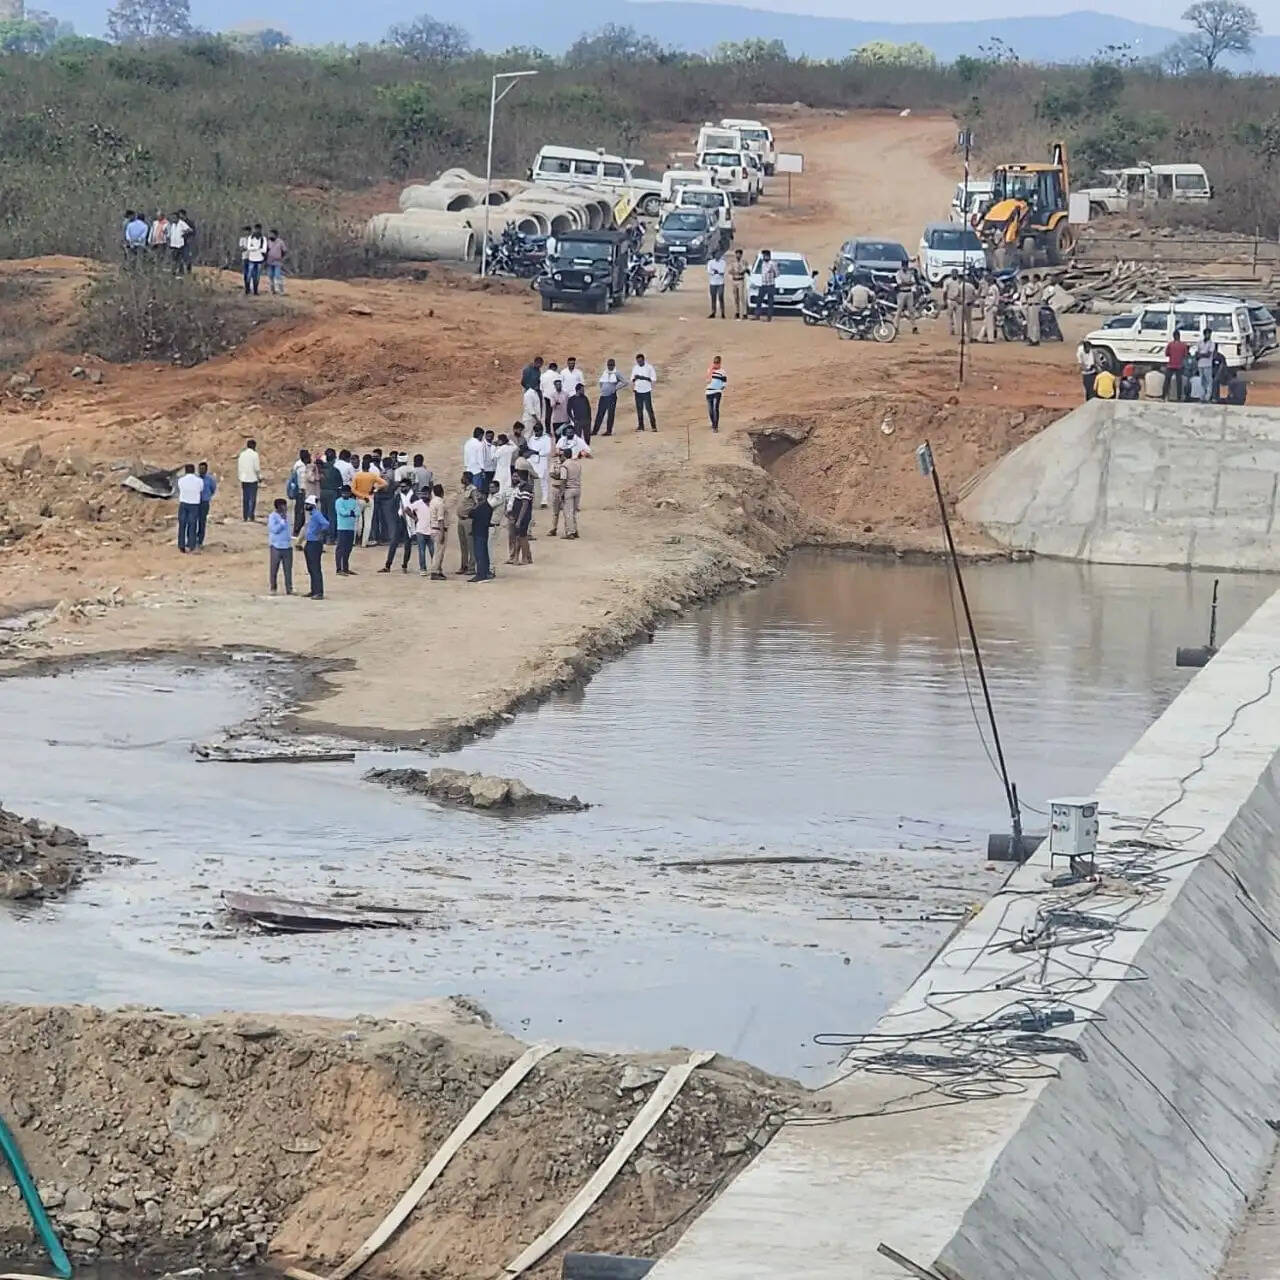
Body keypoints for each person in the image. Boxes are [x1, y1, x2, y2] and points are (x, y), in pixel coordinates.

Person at [379, 478, 415, 573]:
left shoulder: (413, 497)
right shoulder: (398, 496)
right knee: (393, 543)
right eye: (401, 486)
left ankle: (405, 565)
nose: (402, 488)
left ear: (409, 487)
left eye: (404, 487)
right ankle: (388, 565)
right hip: (400, 521)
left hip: (410, 522)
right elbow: (394, 507)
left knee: (407, 545)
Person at [469, 481, 500, 582]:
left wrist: (475, 506)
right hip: (480, 532)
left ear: (484, 495)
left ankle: (481, 574)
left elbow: (471, 513)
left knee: (480, 554)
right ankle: (484, 572)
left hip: (480, 532)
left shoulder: (483, 507)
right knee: (483, 553)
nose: (477, 496)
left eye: (479, 494)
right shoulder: (485, 506)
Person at [351, 455, 386, 545]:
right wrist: (375, 488)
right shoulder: (372, 475)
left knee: (357, 521)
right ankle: (364, 543)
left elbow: (353, 489)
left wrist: (362, 496)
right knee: (368, 522)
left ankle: (354, 541)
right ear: (369, 467)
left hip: (359, 499)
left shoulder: (357, 475)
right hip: (370, 499)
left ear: (361, 466)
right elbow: (384, 483)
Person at [301, 495, 329, 599]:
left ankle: (318, 592)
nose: (306, 506)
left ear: (312, 505)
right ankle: (314, 590)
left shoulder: (317, 515)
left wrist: (320, 534)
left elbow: (326, 524)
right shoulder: (313, 515)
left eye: (307, 504)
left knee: (315, 568)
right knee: (311, 568)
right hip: (310, 542)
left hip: (314, 543)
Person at [267, 498, 294, 594]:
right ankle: (273, 588)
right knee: (274, 569)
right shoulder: (272, 517)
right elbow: (274, 530)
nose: (285, 508)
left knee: (288, 570)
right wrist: (282, 522)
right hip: (276, 546)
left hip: (287, 546)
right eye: (283, 506)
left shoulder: (288, 516)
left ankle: (289, 588)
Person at [407, 486, 434, 576]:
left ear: (430, 494)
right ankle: (423, 568)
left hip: (431, 531)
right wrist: (414, 518)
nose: (424, 496)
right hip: (420, 530)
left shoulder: (434, 503)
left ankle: (435, 568)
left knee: (433, 551)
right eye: (423, 494)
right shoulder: (418, 503)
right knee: (422, 551)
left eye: (426, 494)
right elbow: (407, 509)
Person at [508, 472, 534, 564]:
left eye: (517, 477)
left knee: (522, 538)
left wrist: (519, 520)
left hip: (522, 517)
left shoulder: (525, 488)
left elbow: (524, 505)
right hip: (520, 516)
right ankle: (526, 557)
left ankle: (525, 558)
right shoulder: (521, 487)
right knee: (521, 537)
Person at [334, 484, 360, 575]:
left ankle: (345, 568)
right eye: (343, 493)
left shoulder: (354, 501)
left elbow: (358, 512)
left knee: (348, 548)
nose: (344, 494)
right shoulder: (338, 501)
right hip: (342, 527)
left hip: (351, 528)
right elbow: (342, 512)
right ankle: (338, 569)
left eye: (346, 493)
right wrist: (351, 512)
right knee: (340, 548)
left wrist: (350, 512)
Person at [176, 463, 202, 553]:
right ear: (194, 470)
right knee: (192, 525)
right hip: (194, 504)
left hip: (183, 503)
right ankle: (191, 545)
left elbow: (180, 488)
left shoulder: (181, 480)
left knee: (182, 525)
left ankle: (181, 545)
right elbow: (200, 489)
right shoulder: (199, 481)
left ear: (185, 471)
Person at [456, 472, 478, 575]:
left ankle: (472, 567)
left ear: (467, 478)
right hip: (460, 519)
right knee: (463, 544)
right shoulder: (462, 489)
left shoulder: (473, 490)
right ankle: (463, 565)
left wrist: (471, 513)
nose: (461, 478)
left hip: (468, 520)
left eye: (463, 477)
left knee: (470, 545)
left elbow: (477, 504)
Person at [560, 449, 583, 539]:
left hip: (569, 489)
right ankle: (575, 530)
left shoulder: (564, 465)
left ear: (564, 455)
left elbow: (563, 480)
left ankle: (570, 532)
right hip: (578, 489)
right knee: (573, 512)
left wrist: (562, 492)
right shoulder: (577, 464)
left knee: (568, 512)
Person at [427, 483, 449, 579]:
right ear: (442, 492)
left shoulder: (432, 502)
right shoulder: (440, 503)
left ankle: (438, 570)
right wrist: (442, 533)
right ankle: (435, 572)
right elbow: (440, 519)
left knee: (438, 551)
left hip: (433, 528)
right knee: (439, 552)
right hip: (439, 529)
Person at [319, 448, 341, 541]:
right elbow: (340, 483)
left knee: (323, 514)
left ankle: (323, 536)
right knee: (332, 515)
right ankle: (331, 537)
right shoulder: (335, 470)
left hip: (322, 492)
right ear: (333, 459)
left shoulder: (320, 469)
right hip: (332, 493)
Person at [631, 354, 657, 431]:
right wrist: (635, 380)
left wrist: (642, 377)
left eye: (641, 361)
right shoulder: (635, 368)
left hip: (646, 390)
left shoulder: (649, 367)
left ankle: (653, 426)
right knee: (639, 409)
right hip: (637, 390)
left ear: (644, 360)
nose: (639, 362)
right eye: (638, 361)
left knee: (649, 409)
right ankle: (641, 426)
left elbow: (653, 379)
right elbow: (632, 378)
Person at [237, 438, 261, 521]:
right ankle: (251, 515)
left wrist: (240, 476)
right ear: (254, 446)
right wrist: (259, 477)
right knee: (252, 498)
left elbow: (240, 467)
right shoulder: (255, 455)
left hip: (244, 478)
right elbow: (257, 468)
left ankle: (245, 516)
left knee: (245, 498)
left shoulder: (242, 454)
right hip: (252, 478)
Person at [1163, 328, 1190, 402]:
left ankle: (1164, 396)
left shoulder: (1170, 344)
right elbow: (1185, 355)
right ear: (1179, 336)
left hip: (1171, 365)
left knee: (1167, 381)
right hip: (1179, 366)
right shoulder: (1183, 345)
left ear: (1173, 336)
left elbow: (1166, 354)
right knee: (1179, 382)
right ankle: (1178, 397)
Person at [529, 423, 552, 506]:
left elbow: (548, 450)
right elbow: (529, 449)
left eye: (538, 431)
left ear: (542, 430)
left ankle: (544, 501)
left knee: (543, 482)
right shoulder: (532, 438)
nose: (537, 433)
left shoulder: (547, 438)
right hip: (533, 461)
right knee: (532, 482)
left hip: (542, 461)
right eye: (536, 432)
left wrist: (537, 452)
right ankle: (532, 499)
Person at [753, 249, 778, 321]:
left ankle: (769, 317)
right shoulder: (763, 263)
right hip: (763, 284)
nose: (764, 257)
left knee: (770, 301)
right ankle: (757, 315)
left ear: (769, 256)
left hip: (770, 285)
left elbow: (777, 274)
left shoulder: (773, 264)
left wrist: (771, 274)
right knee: (759, 300)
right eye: (763, 256)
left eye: (765, 256)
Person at [289, 448, 310, 534]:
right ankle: (296, 530)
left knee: (305, 513)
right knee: (299, 512)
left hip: (307, 491)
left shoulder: (308, 465)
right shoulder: (298, 466)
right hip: (300, 492)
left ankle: (303, 530)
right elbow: (295, 479)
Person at [1193, 327, 1217, 403]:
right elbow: (1196, 353)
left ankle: (1208, 397)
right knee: (1202, 381)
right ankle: (1202, 396)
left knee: (1209, 381)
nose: (1208, 335)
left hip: (1208, 364)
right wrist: (1201, 355)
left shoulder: (1212, 343)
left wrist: (1200, 355)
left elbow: (1208, 354)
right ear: (1204, 334)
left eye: (1209, 334)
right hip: (1200, 364)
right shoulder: (1199, 342)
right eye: (1207, 334)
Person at [893, 263, 917, 335]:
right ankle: (896, 327)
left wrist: (906, 283)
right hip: (901, 293)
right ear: (902, 266)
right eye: (904, 266)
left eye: (906, 266)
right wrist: (908, 283)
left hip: (909, 292)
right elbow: (900, 283)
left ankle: (914, 327)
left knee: (911, 310)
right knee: (899, 311)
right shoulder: (898, 273)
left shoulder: (910, 273)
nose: (905, 267)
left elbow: (913, 282)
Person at [548, 447, 567, 536]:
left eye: (562, 455)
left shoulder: (568, 464)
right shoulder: (555, 463)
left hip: (565, 488)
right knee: (555, 510)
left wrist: (559, 475)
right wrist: (562, 476)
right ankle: (553, 528)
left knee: (567, 511)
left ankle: (568, 529)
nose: (561, 456)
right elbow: (552, 474)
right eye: (560, 455)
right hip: (556, 488)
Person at [197, 461, 216, 548]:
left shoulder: (210, 479)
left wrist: (207, 496)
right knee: (193, 521)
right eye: (200, 469)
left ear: (206, 469)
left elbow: (213, 489)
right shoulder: (196, 479)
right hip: (196, 502)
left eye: (203, 469)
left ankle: (200, 540)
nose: (201, 471)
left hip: (204, 502)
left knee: (202, 521)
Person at [706, 356, 727, 432]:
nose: (716, 364)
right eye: (715, 362)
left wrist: (720, 388)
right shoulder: (709, 370)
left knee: (715, 408)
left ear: (720, 363)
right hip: (709, 392)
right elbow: (707, 381)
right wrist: (710, 372)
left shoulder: (722, 372)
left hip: (717, 392)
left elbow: (724, 382)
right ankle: (713, 423)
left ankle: (715, 426)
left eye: (717, 363)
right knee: (710, 410)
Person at [167, 210, 192, 275]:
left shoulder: (182, 223)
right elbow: (170, 234)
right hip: (173, 244)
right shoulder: (172, 225)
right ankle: (174, 272)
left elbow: (190, 230)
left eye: (174, 218)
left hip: (180, 244)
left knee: (180, 259)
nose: (173, 219)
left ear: (177, 218)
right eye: (172, 218)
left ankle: (182, 271)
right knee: (174, 259)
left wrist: (184, 234)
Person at [264, 229, 287, 295]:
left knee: (277, 276)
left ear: (276, 235)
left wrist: (280, 257)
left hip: (277, 262)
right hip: (269, 261)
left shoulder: (280, 242)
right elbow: (266, 251)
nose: (270, 236)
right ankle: (272, 290)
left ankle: (281, 290)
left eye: (272, 234)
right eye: (269, 234)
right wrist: (265, 260)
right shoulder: (268, 242)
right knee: (270, 276)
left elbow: (284, 251)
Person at [1021, 275, 1041, 346]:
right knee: (1032, 323)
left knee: (1033, 324)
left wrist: (1026, 294)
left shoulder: (1038, 285)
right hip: (1032, 305)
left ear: (1036, 278)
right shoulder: (1034, 285)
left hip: (1034, 305)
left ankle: (1034, 340)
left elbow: (1030, 294)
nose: (1032, 280)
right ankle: (1033, 339)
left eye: (1033, 278)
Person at [540, 360, 561, 428]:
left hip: (546, 396)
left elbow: (541, 388)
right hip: (555, 396)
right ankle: (557, 429)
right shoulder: (557, 375)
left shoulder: (543, 375)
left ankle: (548, 430)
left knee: (548, 413)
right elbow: (560, 385)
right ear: (555, 368)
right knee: (557, 413)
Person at [728, 248, 748, 320]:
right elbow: (730, 271)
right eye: (737, 254)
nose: (738, 255)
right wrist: (734, 272)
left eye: (739, 254)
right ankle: (737, 312)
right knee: (736, 297)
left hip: (740, 280)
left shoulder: (744, 262)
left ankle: (745, 313)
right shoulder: (733, 263)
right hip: (734, 280)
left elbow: (744, 270)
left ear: (741, 255)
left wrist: (740, 271)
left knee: (742, 297)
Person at [707, 250, 727, 318]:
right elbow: (709, 271)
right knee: (713, 298)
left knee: (721, 296)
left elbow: (722, 271)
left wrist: (715, 271)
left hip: (720, 282)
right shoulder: (710, 262)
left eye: (719, 254)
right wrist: (716, 272)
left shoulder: (723, 262)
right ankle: (713, 312)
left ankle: (722, 312)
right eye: (716, 254)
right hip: (713, 282)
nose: (718, 255)